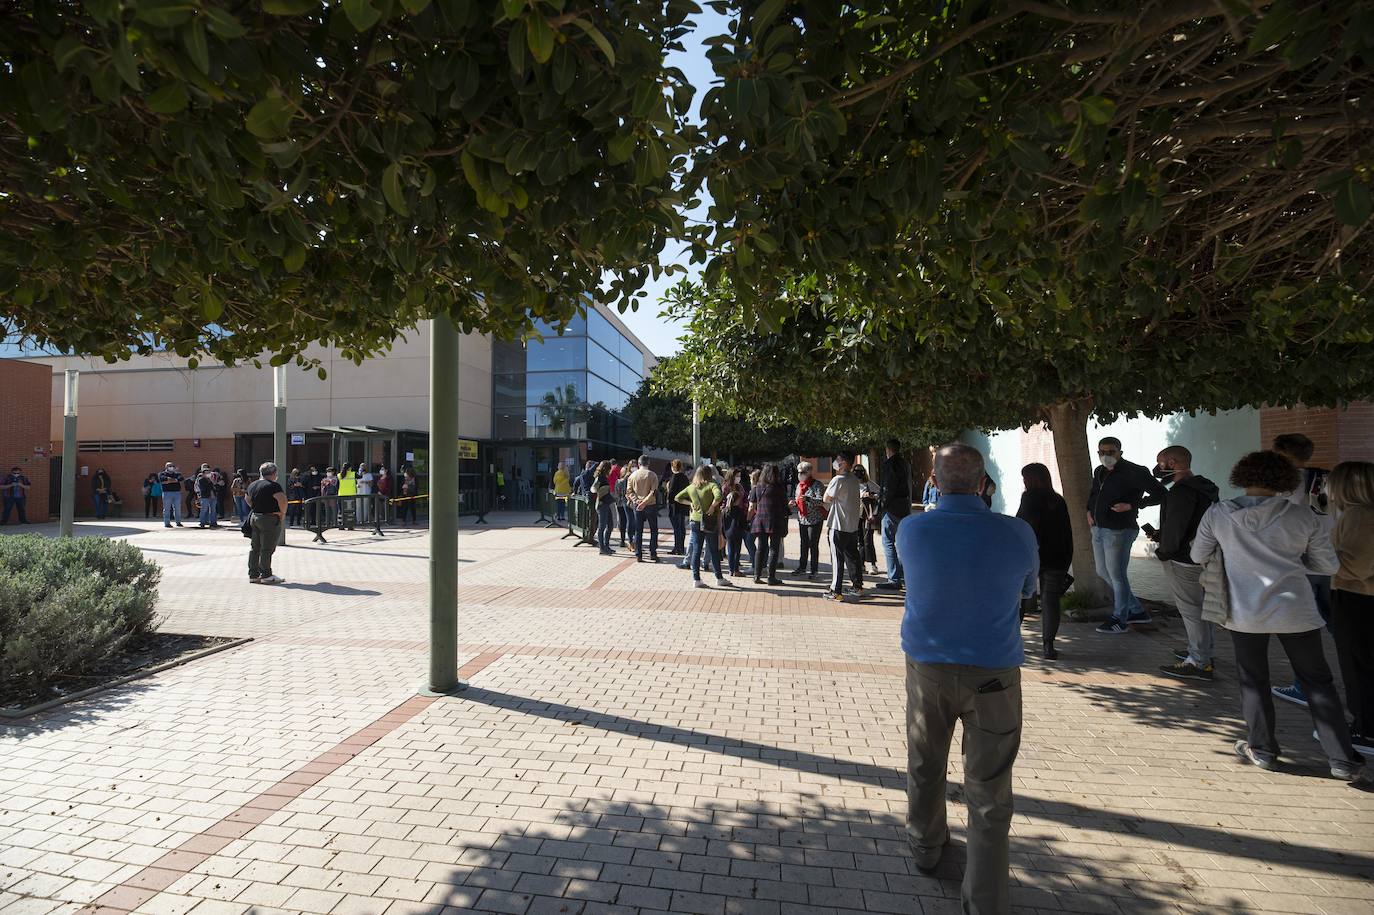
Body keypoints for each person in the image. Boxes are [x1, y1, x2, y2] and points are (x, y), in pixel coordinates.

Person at [897, 443, 1037, 913]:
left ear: (933, 483)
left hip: (928, 668)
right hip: (995, 670)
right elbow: (1029, 589)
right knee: (991, 790)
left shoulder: (912, 529)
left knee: (925, 761)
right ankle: (985, 900)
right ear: (984, 485)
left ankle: (925, 845)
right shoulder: (1018, 533)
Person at [1191, 450, 1361, 780]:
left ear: (1242, 476)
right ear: (1284, 479)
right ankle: (1341, 759)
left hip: (1243, 611)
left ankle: (1263, 749)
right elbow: (1328, 565)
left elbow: (1198, 554)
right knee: (1318, 682)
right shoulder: (1301, 516)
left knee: (1253, 680)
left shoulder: (1218, 514)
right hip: (1296, 610)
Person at [1146, 446, 1221, 681]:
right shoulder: (1205, 487)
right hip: (1204, 555)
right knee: (1203, 609)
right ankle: (1202, 651)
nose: (1158, 468)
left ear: (1172, 462)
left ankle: (1199, 662)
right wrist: (1163, 534)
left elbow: (1177, 527)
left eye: (1161, 463)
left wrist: (1164, 550)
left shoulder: (1179, 492)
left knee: (1191, 610)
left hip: (1183, 559)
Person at [1271, 433, 1334, 708]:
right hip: (1331, 562)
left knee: (1301, 631)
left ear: (1282, 453)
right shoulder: (1328, 479)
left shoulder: (1280, 484)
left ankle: (1303, 687)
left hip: (1297, 566)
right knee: (1339, 627)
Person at [1089, 436, 1168, 633]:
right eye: (1102, 452)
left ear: (1120, 452)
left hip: (1120, 530)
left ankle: (1120, 619)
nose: (1106, 456)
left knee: (1117, 575)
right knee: (1103, 572)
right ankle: (1136, 611)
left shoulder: (1135, 472)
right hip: (1098, 528)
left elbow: (1161, 494)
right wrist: (1088, 511)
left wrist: (1133, 505)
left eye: (1111, 452)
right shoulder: (1099, 471)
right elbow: (1093, 494)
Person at [1329, 461, 1374, 757]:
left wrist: (1318, 556)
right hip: (1358, 596)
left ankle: (1365, 730)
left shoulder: (1360, 516)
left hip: (1357, 597)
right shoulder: (1357, 514)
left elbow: (1354, 565)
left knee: (1359, 665)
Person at [1015, 463, 1074, 660]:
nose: (1023, 482)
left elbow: (1022, 526)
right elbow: (1067, 533)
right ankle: (1048, 645)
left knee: (1022, 599)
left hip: (1032, 556)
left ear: (1032, 479)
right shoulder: (1058, 500)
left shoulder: (1029, 497)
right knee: (1050, 601)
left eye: (1025, 478)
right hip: (1057, 558)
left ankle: (1012, 639)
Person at [677, 465, 730, 588]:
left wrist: (690, 503)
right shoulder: (712, 484)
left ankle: (696, 579)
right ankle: (719, 577)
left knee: (696, 550)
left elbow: (677, 497)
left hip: (695, 520)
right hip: (709, 520)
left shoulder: (691, 487)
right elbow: (718, 496)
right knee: (713, 550)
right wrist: (712, 506)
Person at [824, 451, 864, 601]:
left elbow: (827, 498)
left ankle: (836, 590)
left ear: (844, 463)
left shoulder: (838, 479)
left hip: (838, 524)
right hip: (852, 524)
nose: (835, 462)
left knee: (837, 557)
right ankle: (857, 586)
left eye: (838, 460)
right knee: (853, 556)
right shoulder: (854, 479)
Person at [877, 439, 912, 592]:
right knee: (901, 542)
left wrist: (880, 507)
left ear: (888, 450)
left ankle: (894, 578)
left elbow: (888, 488)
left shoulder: (890, 464)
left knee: (888, 542)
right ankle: (903, 576)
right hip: (904, 506)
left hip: (892, 508)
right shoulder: (905, 464)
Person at [247, 461, 288, 585]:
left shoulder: (253, 485)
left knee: (255, 547)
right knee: (267, 548)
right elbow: (282, 499)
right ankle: (266, 574)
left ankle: (253, 574)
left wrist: (256, 506)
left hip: (255, 517)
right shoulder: (273, 485)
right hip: (269, 518)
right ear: (274, 473)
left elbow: (247, 499)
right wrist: (282, 513)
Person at [749, 463, 788, 585]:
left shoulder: (757, 487)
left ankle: (757, 575)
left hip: (760, 520)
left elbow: (752, 506)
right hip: (775, 520)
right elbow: (784, 504)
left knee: (761, 548)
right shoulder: (778, 487)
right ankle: (771, 577)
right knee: (774, 549)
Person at [792, 462, 826, 579]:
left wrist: (808, 499)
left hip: (815, 519)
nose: (800, 475)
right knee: (804, 544)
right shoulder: (799, 485)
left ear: (809, 472)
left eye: (803, 472)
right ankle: (802, 567)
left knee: (813, 544)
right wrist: (794, 503)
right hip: (802, 519)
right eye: (799, 472)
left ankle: (814, 570)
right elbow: (798, 500)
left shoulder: (817, 485)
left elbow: (821, 501)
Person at [626, 456, 660, 563]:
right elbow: (653, 492)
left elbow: (629, 491)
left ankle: (639, 554)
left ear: (639, 464)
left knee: (638, 531)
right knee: (653, 530)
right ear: (648, 463)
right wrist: (645, 502)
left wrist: (637, 501)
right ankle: (653, 553)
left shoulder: (632, 476)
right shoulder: (652, 475)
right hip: (650, 504)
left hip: (638, 505)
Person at [855, 464, 881, 574]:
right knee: (859, 541)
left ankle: (873, 565)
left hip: (867, 516)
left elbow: (880, 493)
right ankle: (861, 564)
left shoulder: (869, 484)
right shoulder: (852, 484)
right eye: (856, 471)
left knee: (868, 541)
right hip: (856, 516)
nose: (858, 473)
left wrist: (871, 496)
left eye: (861, 471)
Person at [666, 459, 691, 557]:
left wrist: (668, 499)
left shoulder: (674, 477)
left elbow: (671, 492)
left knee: (676, 527)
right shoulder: (685, 477)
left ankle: (677, 547)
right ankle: (681, 547)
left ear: (673, 467)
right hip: (683, 505)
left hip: (675, 506)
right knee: (681, 527)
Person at [591, 460, 615, 554]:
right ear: (607, 468)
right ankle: (602, 548)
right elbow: (593, 488)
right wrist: (599, 492)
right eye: (610, 468)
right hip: (601, 504)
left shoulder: (604, 477)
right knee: (602, 527)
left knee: (610, 525)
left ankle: (606, 545)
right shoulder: (600, 477)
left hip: (606, 504)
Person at [615, 459, 635, 548]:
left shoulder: (619, 480)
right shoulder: (630, 477)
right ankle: (630, 541)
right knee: (630, 521)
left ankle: (623, 540)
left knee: (623, 521)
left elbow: (617, 492)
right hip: (626, 502)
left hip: (620, 502)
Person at [158, 462, 184, 527]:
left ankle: (178, 522)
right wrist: (175, 480)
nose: (171, 467)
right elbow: (162, 479)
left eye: (172, 466)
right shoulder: (162, 473)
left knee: (177, 508)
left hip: (177, 493)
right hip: (167, 493)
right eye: (169, 466)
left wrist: (168, 481)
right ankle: (167, 523)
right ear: (166, 467)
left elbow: (181, 478)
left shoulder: (177, 473)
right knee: (167, 509)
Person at [337, 464, 357, 529]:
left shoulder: (339, 475)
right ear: (350, 468)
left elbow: (337, 486)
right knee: (350, 511)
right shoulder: (353, 474)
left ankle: (341, 525)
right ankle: (350, 526)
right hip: (351, 494)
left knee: (341, 510)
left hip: (341, 494)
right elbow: (360, 476)